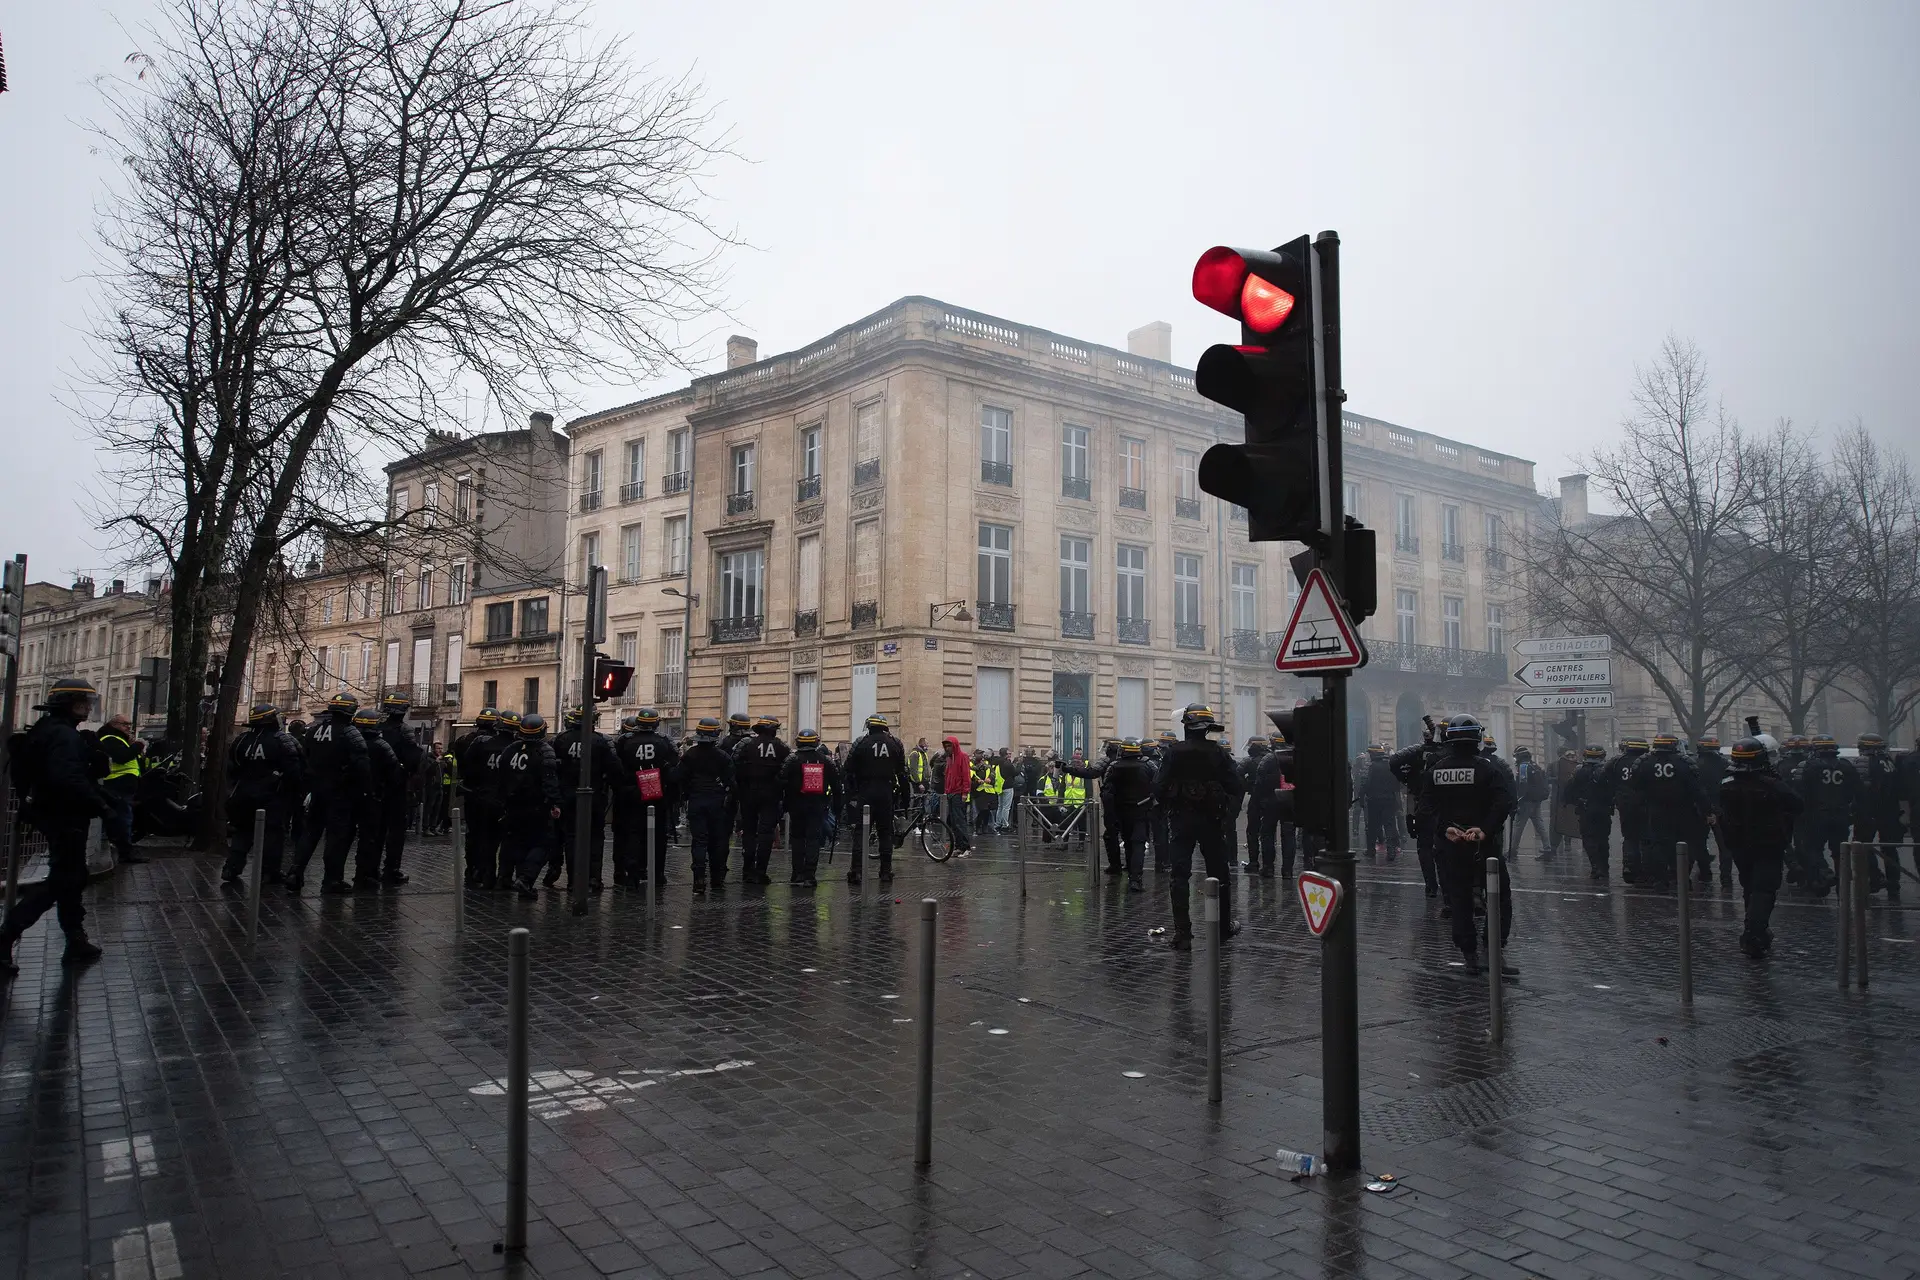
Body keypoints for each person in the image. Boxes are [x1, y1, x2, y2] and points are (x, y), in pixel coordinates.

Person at [1, 677, 112, 973]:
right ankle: (7, 934)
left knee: (73, 877)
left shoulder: (49, 730)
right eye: (83, 703)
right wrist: (101, 805)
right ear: (69, 704)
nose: (87, 708)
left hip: (54, 813)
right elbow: (68, 778)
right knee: (63, 879)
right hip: (65, 815)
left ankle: (75, 938)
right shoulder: (64, 736)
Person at [1427, 714, 1516, 975]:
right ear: (1477, 737)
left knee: (1460, 899)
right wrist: (1484, 830)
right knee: (1499, 898)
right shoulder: (1489, 769)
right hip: (1484, 846)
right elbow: (1503, 802)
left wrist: (1445, 829)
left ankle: (1470, 957)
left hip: (1452, 845)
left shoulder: (1436, 770)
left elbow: (1426, 808)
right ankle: (1494, 951)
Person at [1153, 705, 1241, 951]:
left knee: (1179, 876)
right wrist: (1228, 815)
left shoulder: (1173, 752)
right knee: (1219, 874)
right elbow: (1236, 786)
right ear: (1207, 728)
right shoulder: (1218, 752)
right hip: (1212, 821)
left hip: (1181, 820)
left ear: (1186, 726)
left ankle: (1182, 933)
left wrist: (1169, 805)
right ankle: (1222, 927)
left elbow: (1159, 787)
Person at [1718, 736, 1803, 959]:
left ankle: (1756, 929)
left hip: (1738, 844)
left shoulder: (1726, 784)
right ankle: (1754, 935)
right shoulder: (1771, 785)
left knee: (1750, 888)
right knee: (1763, 890)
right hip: (1768, 845)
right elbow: (1796, 804)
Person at [287, 692, 371, 894]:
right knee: (336, 837)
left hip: (317, 790)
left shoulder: (315, 730)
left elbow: (304, 757)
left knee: (310, 833)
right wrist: (363, 790)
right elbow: (362, 765)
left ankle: (295, 872)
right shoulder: (350, 732)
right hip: (340, 792)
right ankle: (332, 879)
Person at [221, 703, 304, 889]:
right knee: (273, 834)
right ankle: (269, 872)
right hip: (272, 796)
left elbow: (232, 767)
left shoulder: (242, 740)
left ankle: (231, 868)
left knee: (242, 832)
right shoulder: (282, 740)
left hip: (243, 794)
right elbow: (293, 770)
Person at [553, 707, 620, 892]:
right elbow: (614, 768)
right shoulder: (600, 741)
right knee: (595, 837)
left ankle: (573, 880)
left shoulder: (561, 739)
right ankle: (594, 878)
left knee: (571, 838)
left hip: (568, 796)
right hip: (594, 796)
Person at [498, 713, 562, 899]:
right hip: (537, 807)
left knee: (518, 843)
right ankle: (526, 879)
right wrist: (555, 803)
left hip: (512, 805)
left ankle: (516, 878)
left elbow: (501, 776)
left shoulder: (510, 749)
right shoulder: (545, 751)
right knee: (544, 844)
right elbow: (549, 781)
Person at [1626, 734, 1702, 892]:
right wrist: (1706, 809)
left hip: (1655, 810)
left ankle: (1660, 880)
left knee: (1658, 845)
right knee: (1682, 844)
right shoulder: (1684, 762)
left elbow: (1635, 786)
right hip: (1682, 810)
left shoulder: (1644, 762)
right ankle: (1679, 878)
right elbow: (1696, 788)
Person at [844, 714, 909, 883]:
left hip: (866, 792)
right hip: (886, 793)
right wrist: (906, 800)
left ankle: (856, 871)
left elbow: (848, 769)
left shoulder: (861, 743)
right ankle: (886, 871)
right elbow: (902, 774)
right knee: (885, 833)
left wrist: (850, 795)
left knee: (861, 832)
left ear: (870, 726)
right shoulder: (895, 744)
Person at [619, 708, 679, 887]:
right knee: (658, 835)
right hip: (657, 792)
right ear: (656, 723)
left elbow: (617, 765)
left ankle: (632, 874)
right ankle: (657, 873)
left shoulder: (625, 741)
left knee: (633, 833)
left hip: (632, 792)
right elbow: (674, 766)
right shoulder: (664, 741)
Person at [676, 718, 736, 890]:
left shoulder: (690, 755)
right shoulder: (722, 756)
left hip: (696, 801)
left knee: (699, 841)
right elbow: (732, 782)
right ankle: (717, 879)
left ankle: (699, 879)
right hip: (717, 803)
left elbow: (677, 776)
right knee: (717, 841)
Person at [352, 707, 406, 889]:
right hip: (376, 796)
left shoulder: (349, 742)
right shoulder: (381, 745)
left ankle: (346, 875)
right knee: (372, 836)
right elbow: (395, 771)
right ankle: (368, 873)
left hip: (351, 795)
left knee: (347, 838)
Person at [778, 729, 841, 886]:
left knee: (797, 839)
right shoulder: (825, 760)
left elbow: (781, 781)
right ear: (816, 742)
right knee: (813, 839)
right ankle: (810, 876)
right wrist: (838, 807)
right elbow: (836, 785)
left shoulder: (792, 759)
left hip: (796, 806)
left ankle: (797, 874)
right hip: (817, 806)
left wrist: (784, 803)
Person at [733, 716, 790, 886]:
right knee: (766, 833)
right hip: (771, 795)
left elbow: (734, 765)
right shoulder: (781, 747)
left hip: (748, 793)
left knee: (749, 831)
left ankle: (747, 870)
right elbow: (788, 770)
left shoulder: (746, 744)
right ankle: (761, 872)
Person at [375, 693, 424, 885]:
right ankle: (391, 869)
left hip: (376, 785)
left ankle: (369, 870)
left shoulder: (377, 728)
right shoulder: (405, 731)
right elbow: (413, 759)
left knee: (375, 831)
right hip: (396, 786)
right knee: (396, 831)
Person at [1389, 726, 1443, 899]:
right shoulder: (1445, 753)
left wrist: (1405, 779)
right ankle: (1444, 885)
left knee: (1424, 847)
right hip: (1441, 806)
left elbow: (1394, 761)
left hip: (1420, 805)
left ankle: (1431, 886)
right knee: (1443, 847)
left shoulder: (1416, 754)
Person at [454, 710, 505, 886]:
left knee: (473, 834)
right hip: (491, 795)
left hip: (471, 793)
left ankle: (472, 869)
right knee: (491, 836)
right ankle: (485, 871)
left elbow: (463, 764)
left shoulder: (464, 741)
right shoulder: (496, 743)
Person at [1799, 735, 1857, 892]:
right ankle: (1843, 880)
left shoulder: (1810, 766)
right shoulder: (1846, 765)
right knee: (1840, 851)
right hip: (1841, 814)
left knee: (1812, 848)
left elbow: (1805, 792)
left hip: (1817, 815)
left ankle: (1825, 873)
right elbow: (1854, 790)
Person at [95, 712, 149, 866]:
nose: (128, 727)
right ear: (114, 725)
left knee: (121, 818)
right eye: (125, 724)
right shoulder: (110, 738)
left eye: (129, 724)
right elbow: (122, 757)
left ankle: (121, 848)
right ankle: (126, 852)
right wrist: (138, 745)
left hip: (121, 785)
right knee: (123, 819)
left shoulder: (118, 739)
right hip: (118, 785)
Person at [1854, 733, 1903, 901]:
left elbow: (1862, 789)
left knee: (1861, 845)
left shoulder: (1865, 762)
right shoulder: (1889, 761)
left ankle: (1875, 877)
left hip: (1870, 812)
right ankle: (1893, 883)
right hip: (1890, 812)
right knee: (1889, 848)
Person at [1104, 739, 1157, 891]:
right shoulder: (1148, 765)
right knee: (1138, 843)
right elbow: (1159, 783)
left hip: (1121, 811)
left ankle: (1130, 874)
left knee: (1128, 842)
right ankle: (1136, 879)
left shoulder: (1114, 766)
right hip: (1141, 810)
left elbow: (1107, 789)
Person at [1564, 745, 1613, 881]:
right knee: (1603, 839)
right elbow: (1613, 790)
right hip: (1603, 810)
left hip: (1586, 810)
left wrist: (1574, 801)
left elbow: (1568, 791)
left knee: (1589, 839)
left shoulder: (1578, 771)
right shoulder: (1607, 771)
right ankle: (1604, 868)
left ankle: (1595, 867)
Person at [1607, 739, 1650, 883]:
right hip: (1644, 805)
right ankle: (1646, 869)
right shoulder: (1647, 761)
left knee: (1629, 837)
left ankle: (1630, 867)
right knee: (1646, 838)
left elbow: (1607, 779)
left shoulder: (1617, 762)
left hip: (1625, 805)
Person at [718, 711, 754, 864]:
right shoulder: (753, 743)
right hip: (748, 789)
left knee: (724, 830)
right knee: (750, 828)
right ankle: (748, 865)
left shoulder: (724, 743)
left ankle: (721, 864)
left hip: (728, 790)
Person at [1694, 736, 1728, 886]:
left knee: (1699, 842)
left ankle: (1705, 873)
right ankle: (1726, 878)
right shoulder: (1725, 764)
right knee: (1725, 846)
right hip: (1721, 808)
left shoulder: (1694, 764)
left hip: (1699, 809)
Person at [1361, 743, 1402, 859]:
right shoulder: (1391, 765)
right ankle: (1391, 851)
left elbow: (1365, 784)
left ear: (1373, 754)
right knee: (1390, 826)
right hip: (1389, 800)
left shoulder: (1371, 766)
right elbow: (1397, 783)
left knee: (1373, 827)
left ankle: (1371, 850)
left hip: (1374, 801)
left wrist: (1362, 797)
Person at [1513, 747, 1551, 856]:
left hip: (1526, 801)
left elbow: (1523, 785)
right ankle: (1547, 848)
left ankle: (1513, 850)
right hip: (1536, 800)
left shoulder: (1523, 767)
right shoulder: (1535, 765)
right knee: (1540, 825)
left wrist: (1518, 801)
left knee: (1518, 826)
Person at [940, 735, 973, 853]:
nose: (947, 748)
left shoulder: (962, 757)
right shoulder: (949, 759)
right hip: (951, 793)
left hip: (958, 793)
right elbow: (948, 776)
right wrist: (947, 790)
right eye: (946, 746)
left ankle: (965, 847)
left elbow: (966, 775)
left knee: (959, 821)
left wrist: (965, 792)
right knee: (953, 822)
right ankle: (959, 846)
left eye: (949, 746)